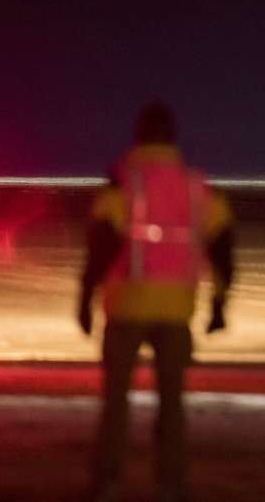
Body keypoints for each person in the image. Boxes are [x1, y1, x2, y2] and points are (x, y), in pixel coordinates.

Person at [78, 102, 235, 502]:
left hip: (126, 307)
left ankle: (107, 483)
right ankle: (172, 485)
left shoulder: (123, 184)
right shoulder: (196, 187)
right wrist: (219, 304)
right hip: (175, 312)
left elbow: (100, 246)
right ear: (173, 137)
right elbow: (223, 249)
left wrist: (84, 297)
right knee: (172, 405)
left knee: (115, 404)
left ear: (138, 136)